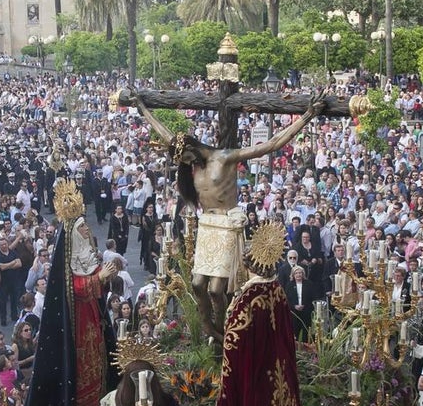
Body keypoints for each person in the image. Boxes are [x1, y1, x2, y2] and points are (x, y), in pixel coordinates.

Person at [133, 90, 331, 337]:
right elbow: (164, 134)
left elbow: (270, 145)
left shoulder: (223, 158)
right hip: (207, 224)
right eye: (183, 161)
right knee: (196, 284)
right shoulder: (188, 160)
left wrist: (307, 116)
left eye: (186, 157)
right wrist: (142, 109)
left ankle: (227, 329)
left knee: (216, 289)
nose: (187, 164)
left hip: (227, 223)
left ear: (193, 147)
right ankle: (210, 330)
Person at [207, 220, 307, 406]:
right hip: (280, 373)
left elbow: (233, 347)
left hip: (256, 378)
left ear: (249, 266)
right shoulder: (276, 290)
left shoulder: (247, 300)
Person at [16, 189, 118, 406]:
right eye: (82, 228)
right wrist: (98, 279)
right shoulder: (67, 259)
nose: (87, 231)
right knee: (83, 361)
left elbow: (94, 283)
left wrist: (105, 279)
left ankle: (99, 400)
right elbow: (72, 289)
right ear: (73, 233)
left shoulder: (86, 253)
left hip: (93, 316)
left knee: (97, 355)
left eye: (86, 227)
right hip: (77, 322)